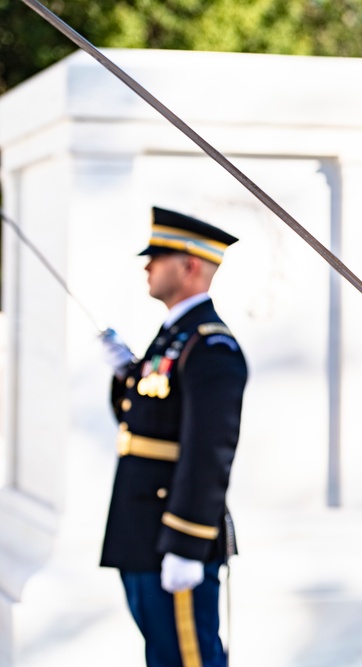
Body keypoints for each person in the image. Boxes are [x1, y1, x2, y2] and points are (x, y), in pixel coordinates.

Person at [99, 206, 248, 667]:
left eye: (158, 256)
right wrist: (127, 374)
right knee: (164, 654)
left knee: (188, 658)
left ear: (190, 266)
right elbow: (145, 422)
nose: (147, 265)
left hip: (171, 534)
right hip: (142, 530)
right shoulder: (173, 338)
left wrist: (185, 544)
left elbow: (210, 452)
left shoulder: (210, 345)